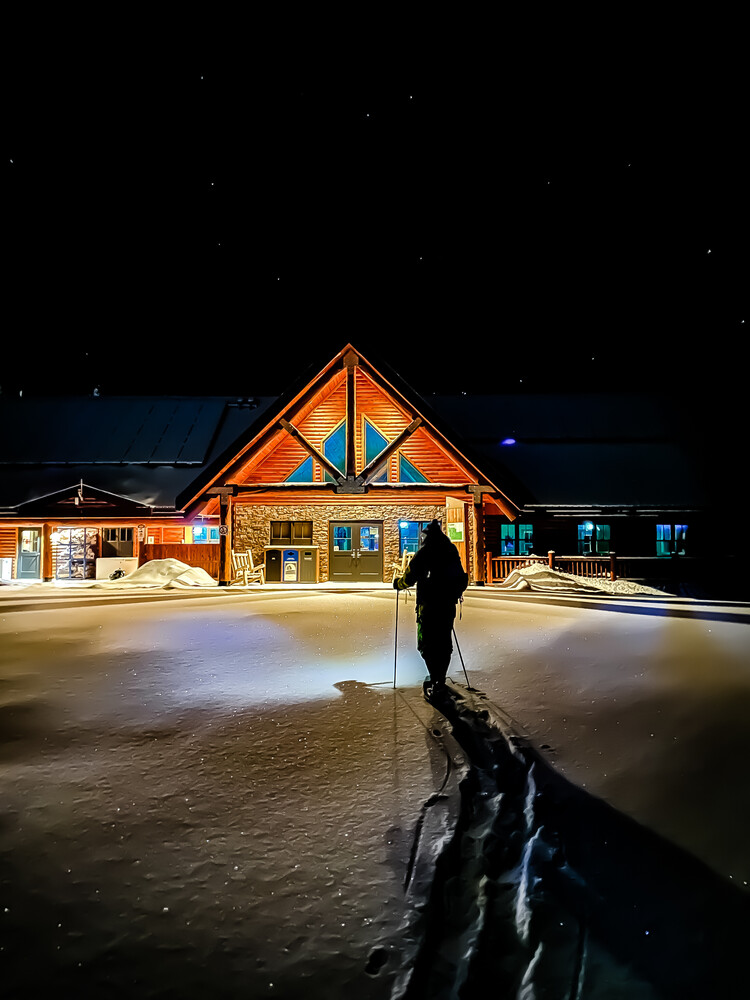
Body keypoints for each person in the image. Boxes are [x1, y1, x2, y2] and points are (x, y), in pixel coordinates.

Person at [393, 519, 469, 699]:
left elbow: (410, 577)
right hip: (447, 605)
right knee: (443, 643)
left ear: (427, 536)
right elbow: (459, 575)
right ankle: (440, 679)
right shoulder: (451, 551)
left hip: (428, 606)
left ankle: (436, 682)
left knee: (427, 644)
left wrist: (398, 584)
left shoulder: (425, 552)